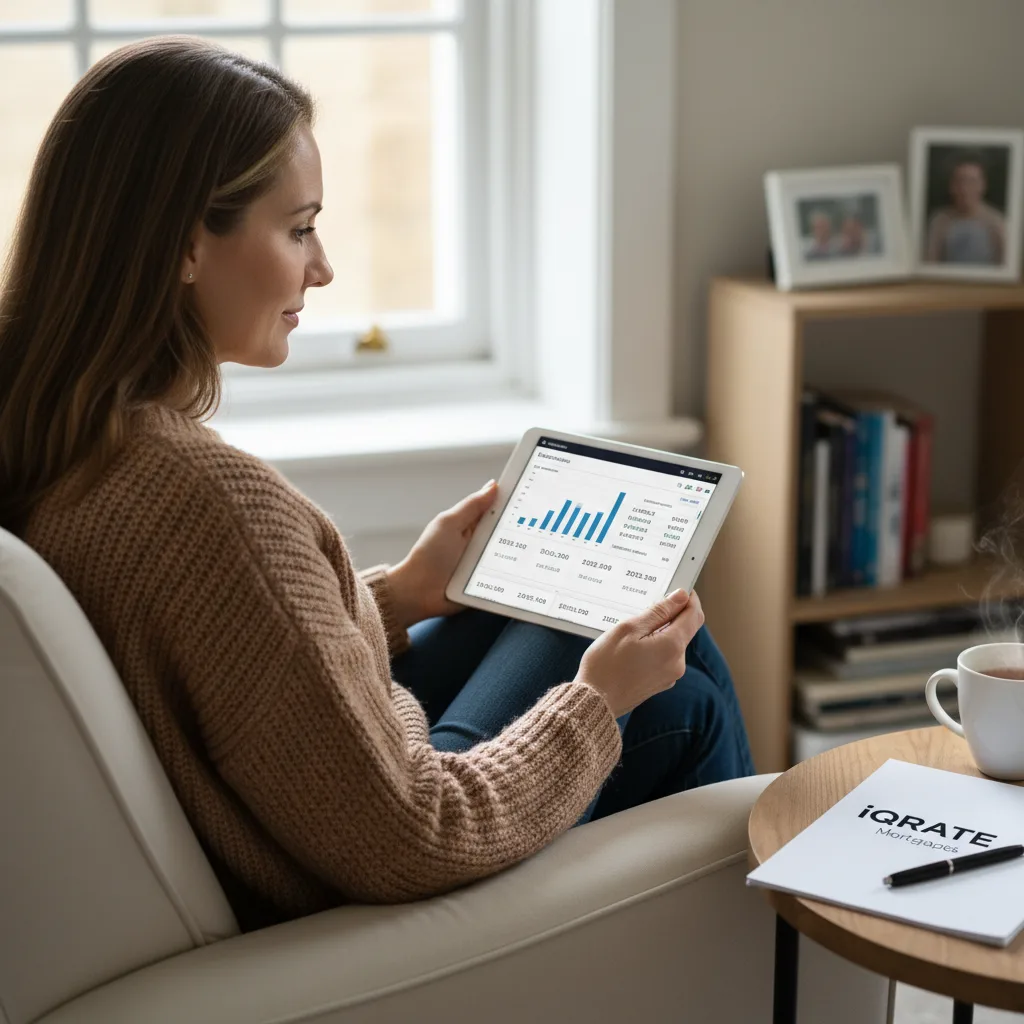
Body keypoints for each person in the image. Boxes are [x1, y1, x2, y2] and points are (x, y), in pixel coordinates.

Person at [0, 37, 754, 931]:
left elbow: (232, 656)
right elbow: (418, 835)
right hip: (363, 878)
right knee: (672, 667)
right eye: (299, 227)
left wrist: (398, 596)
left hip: (313, 817)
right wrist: (601, 700)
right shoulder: (206, 502)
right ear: (184, 245)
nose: (322, 269)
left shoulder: (58, 436)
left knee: (636, 635)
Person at [924, 151, 1006, 265]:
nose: (965, 188)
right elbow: (930, 264)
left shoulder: (997, 222)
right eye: (960, 181)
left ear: (983, 185)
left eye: (972, 181)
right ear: (951, 186)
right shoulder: (939, 221)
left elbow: (1005, 269)